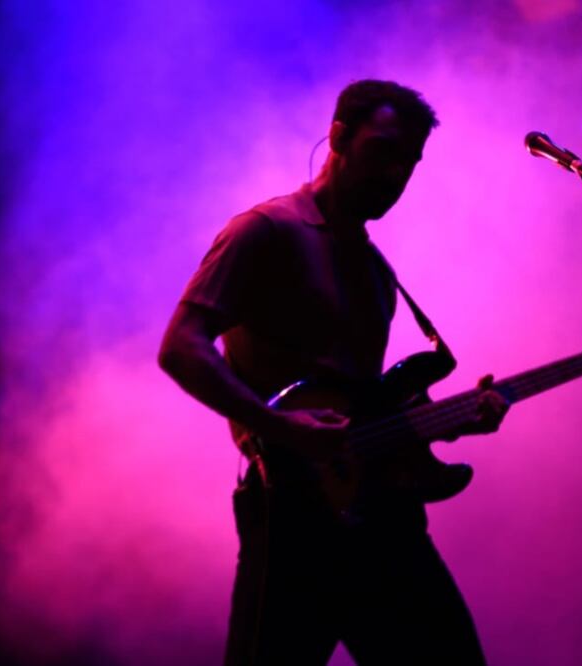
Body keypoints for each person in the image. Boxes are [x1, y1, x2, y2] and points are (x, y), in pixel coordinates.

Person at [158, 80, 508, 665]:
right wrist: (277, 426)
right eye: (383, 151)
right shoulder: (265, 231)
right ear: (339, 137)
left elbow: (364, 407)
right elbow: (181, 346)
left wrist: (449, 420)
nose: (395, 174)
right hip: (291, 518)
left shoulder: (376, 270)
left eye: (409, 162)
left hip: (385, 517)